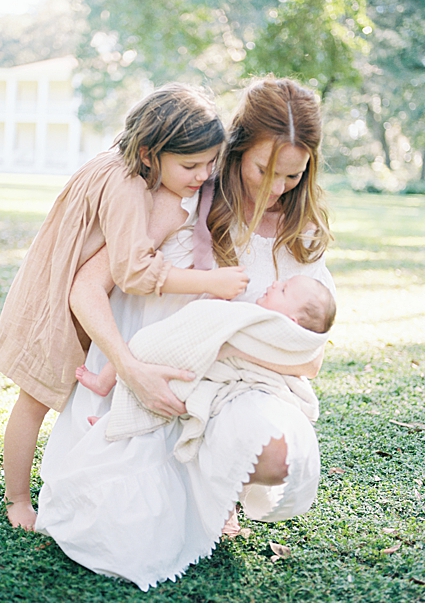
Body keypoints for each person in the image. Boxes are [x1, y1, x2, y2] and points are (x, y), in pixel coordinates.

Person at [34, 76, 335, 590]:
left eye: (292, 174)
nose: (277, 187)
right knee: (115, 532)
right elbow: (87, 290)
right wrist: (129, 367)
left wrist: (230, 341)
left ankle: (219, 485)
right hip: (149, 379)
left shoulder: (298, 232)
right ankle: (184, 481)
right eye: (266, 170)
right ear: (238, 149)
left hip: (235, 388)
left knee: (278, 454)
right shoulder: (187, 194)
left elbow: (309, 356)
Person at [0, 83, 250, 530]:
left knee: (38, 401)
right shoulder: (128, 187)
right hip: (55, 305)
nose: (203, 175)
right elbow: (132, 271)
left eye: (210, 163)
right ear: (150, 153)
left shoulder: (114, 162)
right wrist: (211, 281)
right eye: (190, 165)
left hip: (48, 287)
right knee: (32, 402)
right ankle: (16, 500)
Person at [77, 274, 336, 397]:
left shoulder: (261, 326)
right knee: (143, 364)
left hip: (195, 361)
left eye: (283, 290)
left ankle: (104, 385)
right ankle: (109, 403)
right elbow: (213, 316)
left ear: (290, 322)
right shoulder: (257, 318)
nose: (274, 284)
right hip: (190, 350)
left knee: (138, 348)